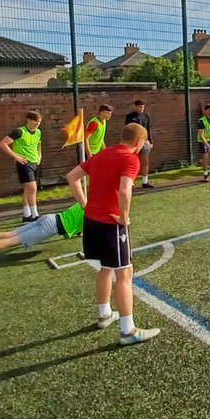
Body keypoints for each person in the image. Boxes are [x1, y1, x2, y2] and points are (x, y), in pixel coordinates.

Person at [65, 122, 159, 346]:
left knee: (105, 268)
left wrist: (85, 204)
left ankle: (105, 313)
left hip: (91, 222)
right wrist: (124, 217)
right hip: (111, 224)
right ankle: (128, 330)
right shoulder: (130, 159)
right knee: (124, 273)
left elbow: (72, 176)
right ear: (139, 142)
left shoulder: (102, 154)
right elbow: (125, 190)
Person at [0, 202, 84, 269]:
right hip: (51, 227)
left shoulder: (85, 200)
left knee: (8, 235)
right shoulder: (93, 209)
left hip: (50, 217)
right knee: (10, 241)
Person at [0, 110, 44, 222]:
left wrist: (39, 156)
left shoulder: (38, 132)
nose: (37, 123)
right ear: (28, 120)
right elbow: (3, 144)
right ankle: (35, 214)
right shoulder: (19, 131)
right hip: (24, 163)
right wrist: (16, 157)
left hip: (34, 162)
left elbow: (39, 145)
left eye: (39, 121)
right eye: (35, 121)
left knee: (28, 189)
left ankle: (26, 214)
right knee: (33, 188)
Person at [124, 100, 154, 189]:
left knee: (145, 160)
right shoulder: (130, 116)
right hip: (134, 141)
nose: (141, 109)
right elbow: (127, 129)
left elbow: (148, 128)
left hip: (144, 141)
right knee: (133, 161)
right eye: (140, 107)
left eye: (143, 107)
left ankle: (145, 182)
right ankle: (131, 182)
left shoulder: (146, 115)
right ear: (135, 106)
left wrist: (151, 141)